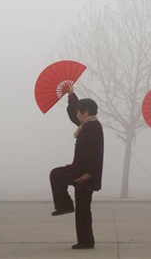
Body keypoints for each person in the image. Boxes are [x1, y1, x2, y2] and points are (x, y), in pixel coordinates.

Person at [49, 86, 104, 250]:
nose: (77, 115)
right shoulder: (88, 125)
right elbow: (75, 116)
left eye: (79, 112)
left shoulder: (92, 127)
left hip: (84, 174)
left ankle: (85, 240)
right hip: (79, 170)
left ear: (85, 112)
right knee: (81, 207)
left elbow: (92, 153)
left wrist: (89, 173)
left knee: (83, 208)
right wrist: (72, 95)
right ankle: (85, 239)